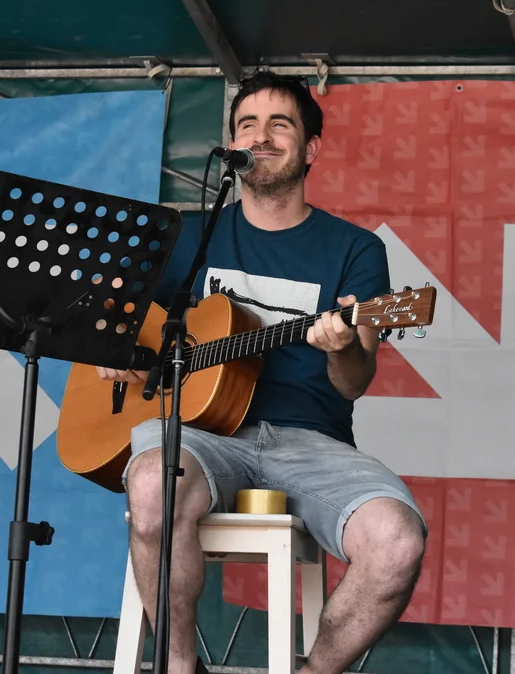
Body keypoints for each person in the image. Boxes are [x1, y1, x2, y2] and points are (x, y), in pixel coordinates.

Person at [96, 71, 427, 674]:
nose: (261, 135)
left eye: (280, 124)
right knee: (150, 486)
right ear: (232, 146)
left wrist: (340, 347)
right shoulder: (191, 238)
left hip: (310, 439)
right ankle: (179, 668)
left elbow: (354, 382)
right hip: (197, 431)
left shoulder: (355, 250)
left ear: (311, 148)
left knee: (396, 541)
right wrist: (117, 352)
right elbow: (119, 321)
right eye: (247, 124)